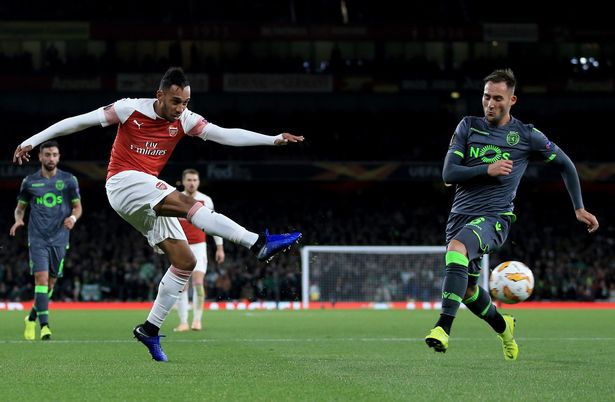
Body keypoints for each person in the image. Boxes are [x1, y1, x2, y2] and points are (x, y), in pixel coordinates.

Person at [13, 67, 303, 361]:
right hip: (123, 182)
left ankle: (149, 330)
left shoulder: (186, 120)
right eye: (176, 101)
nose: (181, 109)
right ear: (160, 95)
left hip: (147, 195)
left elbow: (225, 135)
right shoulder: (129, 109)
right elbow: (78, 122)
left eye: (186, 102)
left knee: (185, 261)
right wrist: (33, 140)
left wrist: (273, 138)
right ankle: (257, 243)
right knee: (189, 205)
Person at [425, 68, 599, 360]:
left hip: (495, 219)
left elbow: (566, 164)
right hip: (459, 216)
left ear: (512, 99)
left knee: (456, 250)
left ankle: (442, 328)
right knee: (467, 290)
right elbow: (448, 173)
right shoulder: (467, 127)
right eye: (486, 97)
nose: (490, 104)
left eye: (497, 98)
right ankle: (504, 325)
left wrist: (579, 207)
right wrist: (487, 169)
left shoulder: (526, 135)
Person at [9, 140, 82, 341]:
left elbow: (77, 207)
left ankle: (31, 318)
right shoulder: (30, 182)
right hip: (38, 237)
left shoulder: (69, 180)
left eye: (54, 155)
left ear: (59, 157)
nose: (51, 158)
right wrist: (18, 220)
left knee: (50, 285)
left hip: (60, 237)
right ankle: (45, 327)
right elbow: (20, 208)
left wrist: (73, 219)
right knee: (40, 280)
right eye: (47, 155)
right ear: (40, 157)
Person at [173, 168, 225, 332]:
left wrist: (219, 247)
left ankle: (197, 320)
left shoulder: (205, 200)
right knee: (182, 285)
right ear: (183, 181)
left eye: (195, 180)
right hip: (180, 247)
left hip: (199, 246)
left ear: (199, 182)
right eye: (189, 180)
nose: (192, 183)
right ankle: (183, 322)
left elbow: (214, 224)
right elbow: (169, 223)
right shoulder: (175, 199)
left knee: (198, 283)